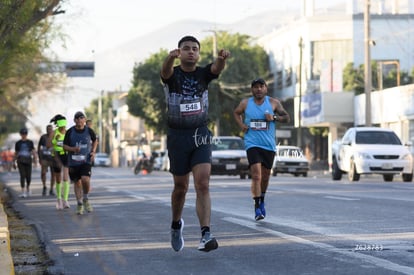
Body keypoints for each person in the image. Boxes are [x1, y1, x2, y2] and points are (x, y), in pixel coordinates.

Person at [160, 35, 230, 252]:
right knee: (181, 188)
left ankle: (205, 234)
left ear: (198, 54)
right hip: (177, 136)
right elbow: (165, 73)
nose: (191, 51)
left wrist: (221, 59)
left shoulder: (203, 74)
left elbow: (216, 69)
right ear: (179, 52)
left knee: (203, 183)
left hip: (200, 134)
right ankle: (175, 225)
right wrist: (169, 59)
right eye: (186, 48)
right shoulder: (174, 74)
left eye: (195, 49)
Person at [233, 78, 290, 221]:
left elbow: (287, 117)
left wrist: (274, 117)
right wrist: (241, 125)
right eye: (255, 87)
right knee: (256, 175)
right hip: (252, 143)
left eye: (261, 87)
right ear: (252, 90)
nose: (258, 89)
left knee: (265, 177)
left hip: (268, 145)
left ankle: (262, 198)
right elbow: (236, 112)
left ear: (266, 88)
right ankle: (257, 206)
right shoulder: (246, 103)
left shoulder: (273, 103)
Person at [63, 111, 98, 215]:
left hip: (85, 161)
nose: (79, 120)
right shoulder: (70, 132)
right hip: (73, 162)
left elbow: (95, 140)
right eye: (77, 118)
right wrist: (73, 148)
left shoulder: (89, 131)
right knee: (77, 182)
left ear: (84, 120)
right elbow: (64, 146)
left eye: (81, 118)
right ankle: (79, 204)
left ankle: (85, 198)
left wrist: (93, 151)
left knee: (85, 179)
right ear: (74, 120)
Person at [48, 115, 70, 210]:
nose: (63, 128)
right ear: (58, 125)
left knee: (66, 178)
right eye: (61, 126)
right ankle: (59, 200)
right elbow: (48, 144)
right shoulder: (54, 132)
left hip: (65, 154)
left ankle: (65, 200)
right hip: (56, 156)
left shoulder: (68, 132)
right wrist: (55, 140)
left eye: (64, 126)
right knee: (58, 179)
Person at [14, 128, 37, 198]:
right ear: (20, 134)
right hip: (20, 161)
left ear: (26, 134)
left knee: (28, 176)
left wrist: (35, 159)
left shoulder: (30, 142)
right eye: (22, 134)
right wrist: (13, 162)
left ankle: (28, 188)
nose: (24, 135)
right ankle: (23, 191)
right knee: (22, 175)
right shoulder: (18, 143)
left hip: (28, 160)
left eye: (25, 134)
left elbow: (33, 151)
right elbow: (16, 153)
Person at [38, 124, 55, 196]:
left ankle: (51, 189)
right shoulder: (43, 137)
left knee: (53, 174)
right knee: (43, 173)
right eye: (48, 129)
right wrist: (39, 157)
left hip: (53, 158)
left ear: (52, 130)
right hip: (44, 158)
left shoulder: (55, 137)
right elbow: (39, 147)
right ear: (46, 130)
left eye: (50, 129)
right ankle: (44, 186)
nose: (49, 131)